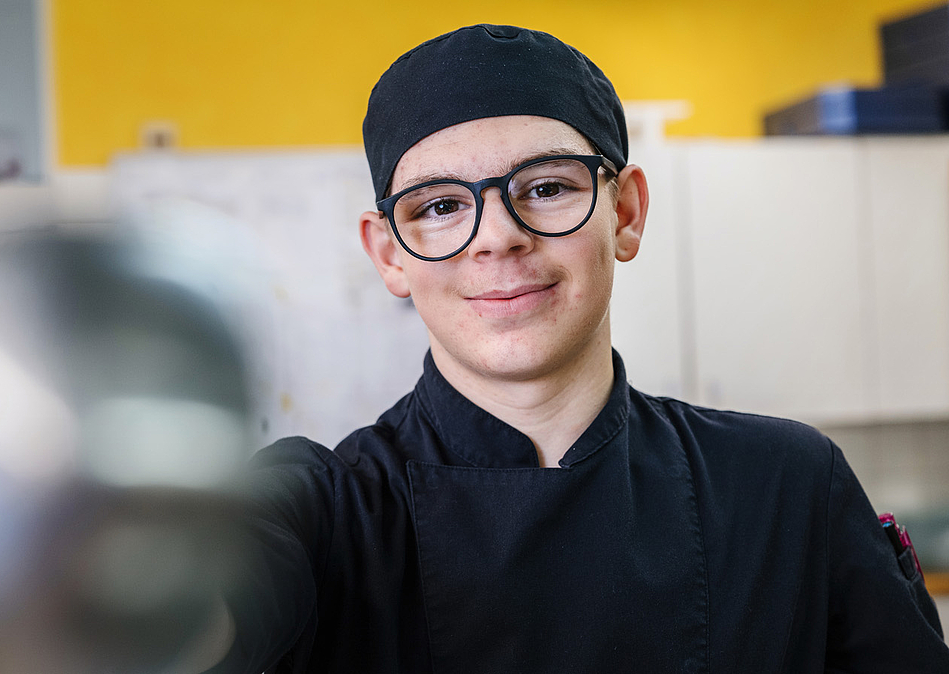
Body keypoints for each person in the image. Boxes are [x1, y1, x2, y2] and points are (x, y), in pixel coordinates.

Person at [214, 24, 949, 673]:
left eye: (546, 188)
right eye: (439, 206)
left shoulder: (785, 488)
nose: (499, 235)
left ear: (625, 213)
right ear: (390, 256)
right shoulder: (318, 511)